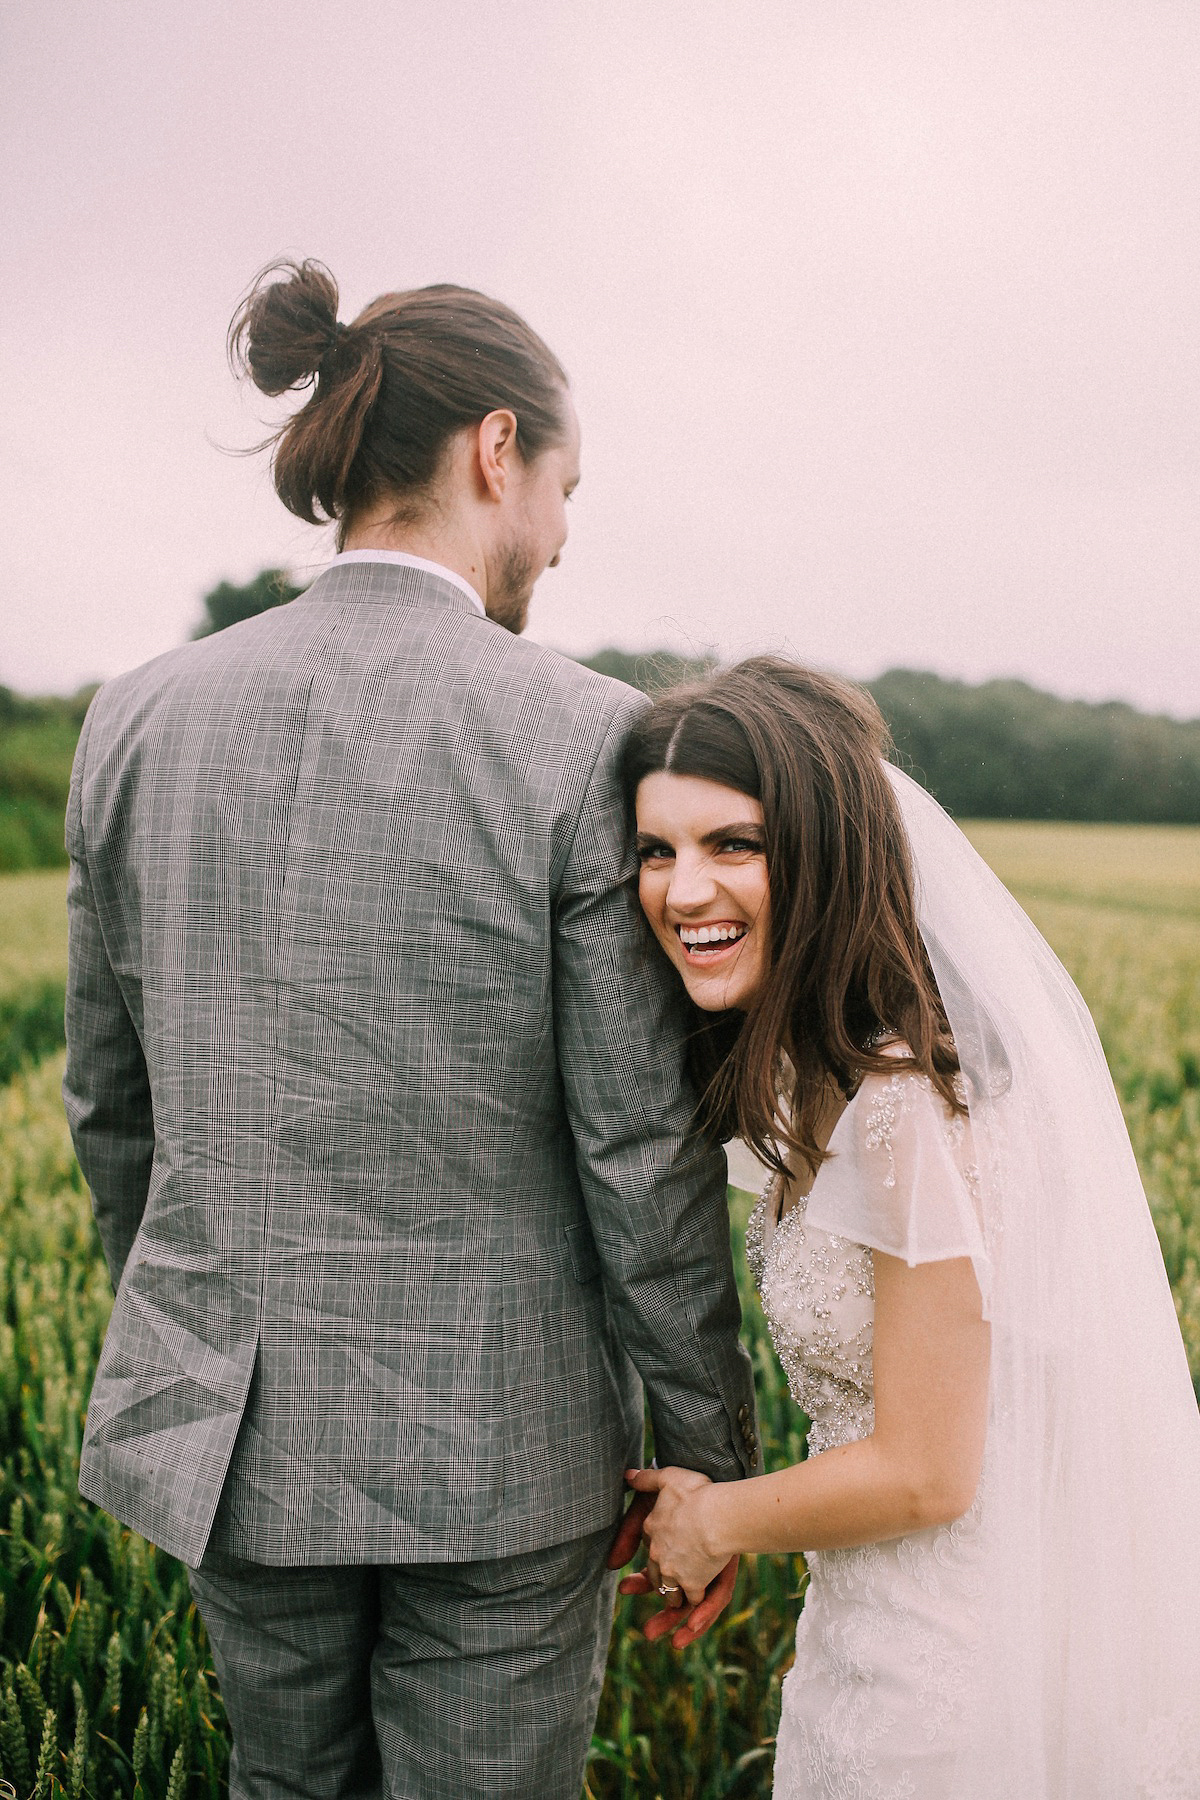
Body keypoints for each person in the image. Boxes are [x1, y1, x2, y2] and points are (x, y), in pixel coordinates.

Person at [62, 259, 757, 1800]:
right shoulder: (583, 735)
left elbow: (110, 1105)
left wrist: (190, 1347)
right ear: (496, 452)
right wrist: (715, 1448)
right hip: (500, 1456)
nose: (565, 535)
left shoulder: (137, 715)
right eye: (567, 487)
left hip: (225, 1429)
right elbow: (637, 1151)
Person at [619, 658, 1200, 1798]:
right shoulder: (830, 1086)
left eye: (732, 845)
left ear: (827, 854)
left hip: (955, 1680)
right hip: (873, 1634)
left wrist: (716, 1519)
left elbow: (931, 1470)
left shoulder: (904, 1112)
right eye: (656, 850)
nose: (683, 890)